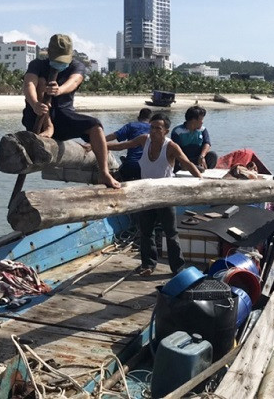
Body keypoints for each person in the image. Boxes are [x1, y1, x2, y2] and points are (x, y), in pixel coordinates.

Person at [107, 113, 202, 275]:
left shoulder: (171, 146)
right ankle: (148, 265)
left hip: (166, 195)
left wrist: (201, 181)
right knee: (145, 232)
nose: (153, 131)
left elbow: (187, 163)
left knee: (171, 234)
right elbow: (124, 145)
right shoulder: (144, 140)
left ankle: (177, 268)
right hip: (147, 194)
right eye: (152, 127)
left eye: (158, 128)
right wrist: (102, 145)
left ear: (166, 131)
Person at [22, 33, 120, 188]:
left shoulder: (76, 66)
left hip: (64, 116)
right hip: (37, 117)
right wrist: (35, 104)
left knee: (95, 126)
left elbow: (74, 82)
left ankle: (104, 172)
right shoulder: (37, 64)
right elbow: (29, 85)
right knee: (41, 81)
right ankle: (48, 126)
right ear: (49, 54)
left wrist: (58, 90)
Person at [105, 108, 152, 181]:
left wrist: (96, 141)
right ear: (151, 119)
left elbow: (114, 136)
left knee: (116, 177)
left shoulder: (131, 126)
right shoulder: (155, 130)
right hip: (148, 167)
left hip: (131, 164)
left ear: (138, 118)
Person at [171, 106, 217, 172]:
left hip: (197, 158)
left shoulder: (202, 130)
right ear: (193, 120)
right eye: (201, 120)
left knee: (213, 155)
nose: (202, 122)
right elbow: (176, 150)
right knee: (176, 160)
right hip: (183, 159)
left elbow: (207, 143)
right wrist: (185, 162)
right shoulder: (178, 131)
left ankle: (205, 172)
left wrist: (202, 156)